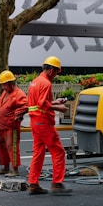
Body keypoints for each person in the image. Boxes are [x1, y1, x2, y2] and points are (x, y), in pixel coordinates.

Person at [26, 55, 72, 196]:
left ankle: (33, 183)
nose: (56, 75)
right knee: (58, 152)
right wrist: (60, 108)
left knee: (38, 153)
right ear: (51, 70)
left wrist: (55, 102)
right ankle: (57, 184)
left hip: (35, 122)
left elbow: (37, 103)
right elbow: (42, 104)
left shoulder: (35, 82)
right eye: (56, 72)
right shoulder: (46, 83)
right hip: (44, 122)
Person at [0, 70, 29, 177]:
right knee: (2, 147)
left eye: (4, 85)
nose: (3, 87)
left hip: (11, 126)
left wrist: (17, 114)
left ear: (11, 83)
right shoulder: (6, 92)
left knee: (12, 147)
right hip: (2, 126)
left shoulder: (18, 94)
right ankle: (5, 168)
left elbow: (26, 105)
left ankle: (15, 170)